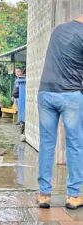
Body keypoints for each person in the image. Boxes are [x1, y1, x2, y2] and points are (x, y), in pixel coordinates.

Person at [36, 16, 83, 209]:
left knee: (47, 144)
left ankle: (43, 195)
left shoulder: (58, 30)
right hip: (70, 95)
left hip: (45, 93)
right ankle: (73, 196)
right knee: (75, 145)